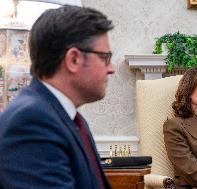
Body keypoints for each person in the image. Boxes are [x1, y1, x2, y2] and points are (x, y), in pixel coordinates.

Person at [0, 5, 115, 189]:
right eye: (105, 57)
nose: (112, 68)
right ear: (73, 59)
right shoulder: (31, 121)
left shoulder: (71, 119)